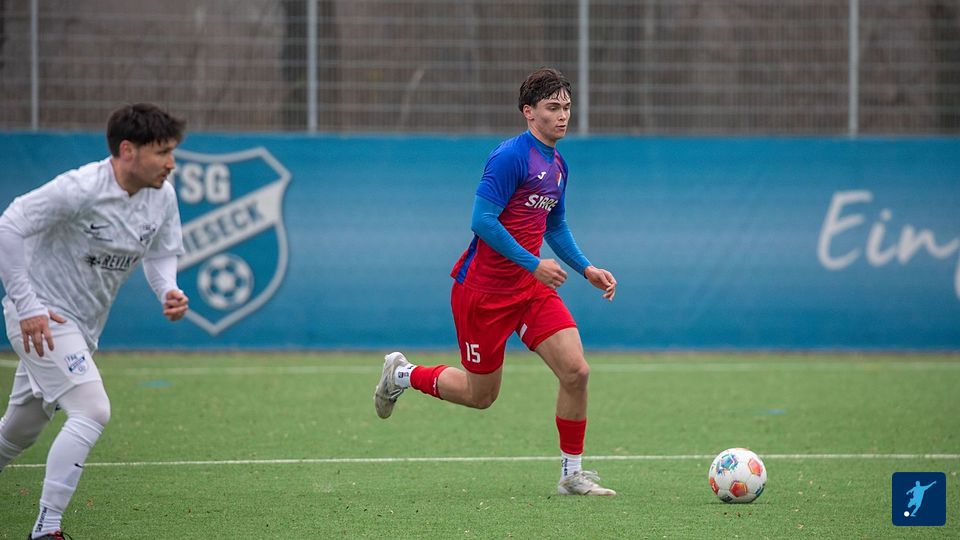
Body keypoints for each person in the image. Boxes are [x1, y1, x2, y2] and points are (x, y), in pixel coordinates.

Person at [374, 67, 618, 496]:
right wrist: (533, 263)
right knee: (481, 395)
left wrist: (586, 269)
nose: (563, 115)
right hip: (483, 293)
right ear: (529, 112)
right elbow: (482, 220)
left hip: (530, 290)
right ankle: (403, 374)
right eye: (552, 107)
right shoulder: (511, 157)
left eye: (566, 106)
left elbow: (555, 226)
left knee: (576, 371)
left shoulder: (558, 165)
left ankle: (571, 474)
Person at [0, 103, 189, 539]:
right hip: (43, 316)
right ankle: (47, 528)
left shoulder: (162, 195)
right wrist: (27, 305)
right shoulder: (81, 188)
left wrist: (167, 289)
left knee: (20, 430)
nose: (171, 163)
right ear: (128, 151)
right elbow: (8, 226)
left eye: (172, 151)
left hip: (84, 328)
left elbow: (161, 252)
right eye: (162, 152)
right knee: (92, 409)